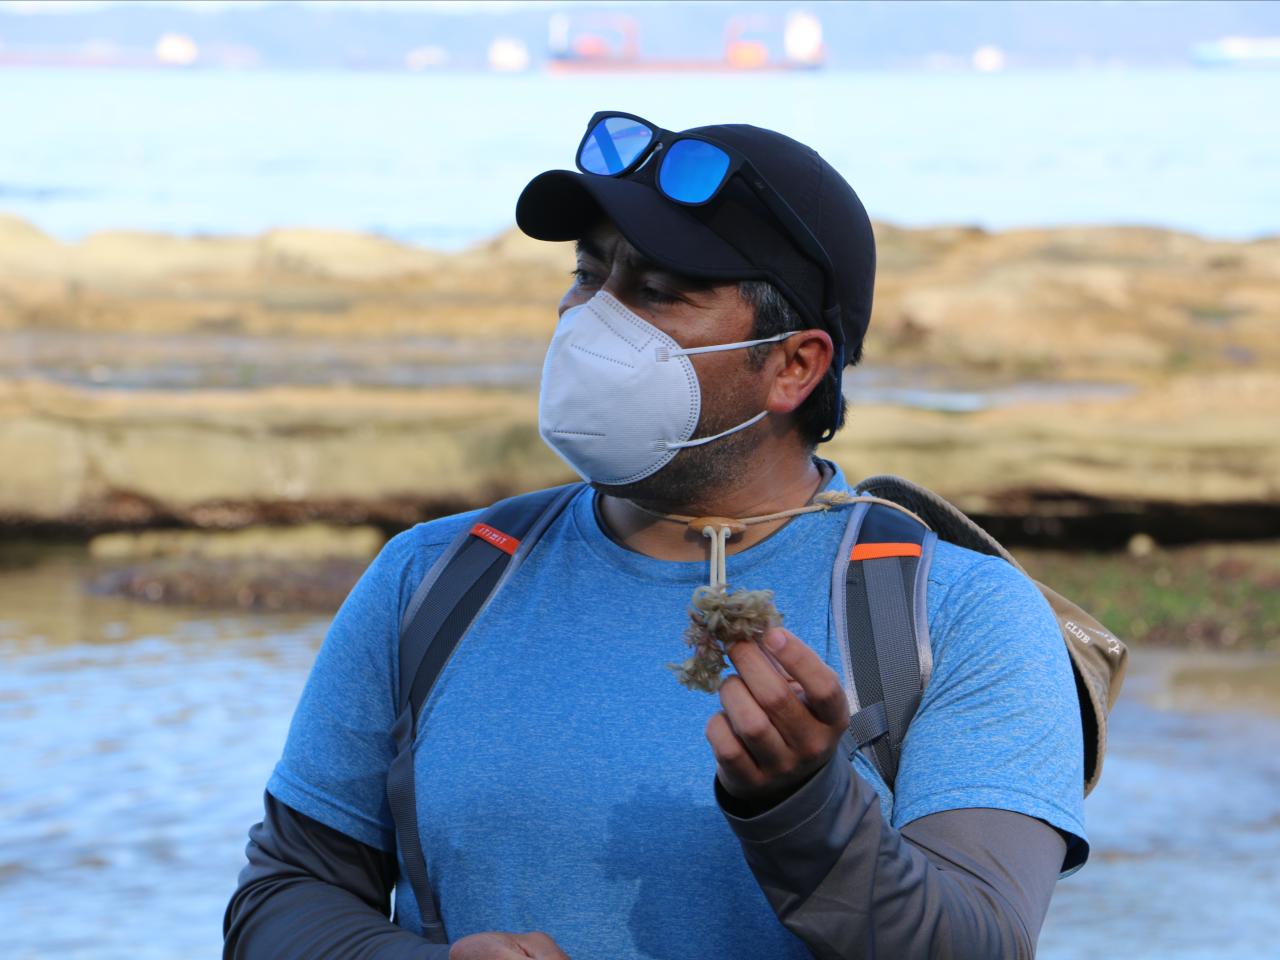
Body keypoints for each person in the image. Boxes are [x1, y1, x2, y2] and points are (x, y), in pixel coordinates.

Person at [224, 114, 1087, 960]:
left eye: (657, 293)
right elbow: (281, 901)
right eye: (589, 275)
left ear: (795, 366)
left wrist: (804, 809)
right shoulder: (433, 577)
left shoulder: (959, 615)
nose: (593, 321)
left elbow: (981, 943)